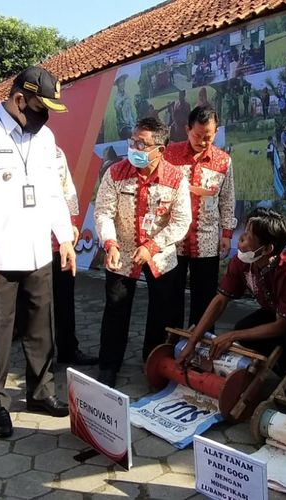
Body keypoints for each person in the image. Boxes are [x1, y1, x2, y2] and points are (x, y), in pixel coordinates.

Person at [0, 66, 76, 438]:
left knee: (42, 328)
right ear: (20, 98)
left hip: (38, 251)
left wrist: (64, 237)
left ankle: (41, 393)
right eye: (41, 105)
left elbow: (53, 192)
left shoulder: (45, 137)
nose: (45, 114)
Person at [176, 208, 286, 375]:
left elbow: (280, 326)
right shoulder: (241, 262)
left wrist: (231, 336)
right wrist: (192, 342)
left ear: (266, 249)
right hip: (281, 306)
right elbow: (220, 301)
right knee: (246, 329)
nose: (241, 238)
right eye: (244, 231)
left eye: (248, 236)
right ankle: (284, 368)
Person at [94, 117, 191, 388]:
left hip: (160, 256)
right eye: (133, 141)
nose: (134, 147)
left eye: (142, 143)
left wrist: (152, 246)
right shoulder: (115, 172)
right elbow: (103, 212)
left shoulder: (176, 177)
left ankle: (156, 364)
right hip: (121, 254)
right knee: (116, 310)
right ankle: (109, 366)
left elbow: (181, 221)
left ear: (160, 149)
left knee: (163, 313)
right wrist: (110, 243)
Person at [164, 106, 236, 333]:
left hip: (206, 239)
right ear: (187, 129)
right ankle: (170, 343)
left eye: (208, 137)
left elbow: (227, 199)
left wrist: (226, 235)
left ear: (216, 133)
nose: (202, 142)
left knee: (204, 297)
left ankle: (200, 345)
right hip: (172, 239)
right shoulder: (170, 154)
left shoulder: (224, 161)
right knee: (170, 296)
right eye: (197, 136)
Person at [51, 146, 97, 365]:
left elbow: (66, 189)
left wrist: (72, 223)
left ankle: (68, 349)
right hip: (28, 245)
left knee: (64, 299)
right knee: (35, 304)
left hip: (59, 243)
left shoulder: (56, 151)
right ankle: (42, 357)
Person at [114, 74, 136, 140]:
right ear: (117, 84)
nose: (122, 84)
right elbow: (117, 109)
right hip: (123, 127)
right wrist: (122, 100)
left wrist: (134, 122)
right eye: (120, 82)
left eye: (123, 81)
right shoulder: (117, 98)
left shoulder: (127, 95)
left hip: (131, 124)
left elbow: (130, 110)